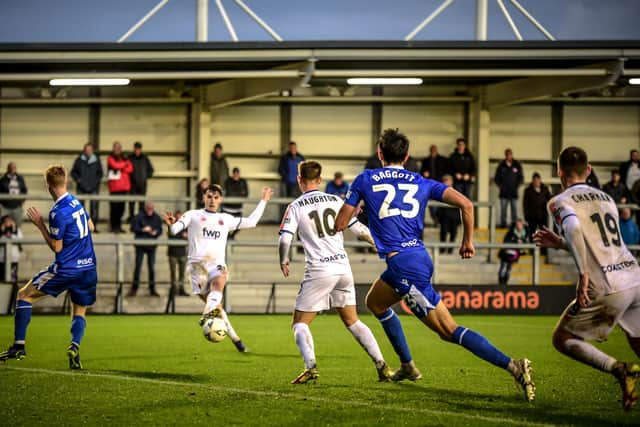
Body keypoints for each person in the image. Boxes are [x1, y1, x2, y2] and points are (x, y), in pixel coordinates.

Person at [335, 128, 535, 402]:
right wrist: (468, 242)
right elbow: (466, 204)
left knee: (448, 330)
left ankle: (513, 365)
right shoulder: (421, 181)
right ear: (407, 156)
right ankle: (407, 366)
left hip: (404, 267)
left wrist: (358, 210)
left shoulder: (365, 179)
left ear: (379, 153)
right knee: (375, 302)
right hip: (418, 258)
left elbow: (339, 224)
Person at [533, 146, 640, 411]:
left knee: (562, 338)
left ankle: (619, 369)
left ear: (559, 172)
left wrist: (583, 274)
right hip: (635, 277)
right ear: (589, 170)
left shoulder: (559, 201)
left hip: (608, 286)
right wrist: (560, 243)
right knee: (638, 340)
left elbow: (573, 227)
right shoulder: (607, 198)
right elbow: (597, 242)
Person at [278, 160, 392, 384]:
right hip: (343, 268)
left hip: (320, 269)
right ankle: (382, 365)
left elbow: (285, 238)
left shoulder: (296, 206)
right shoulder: (336, 200)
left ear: (299, 180)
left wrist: (284, 259)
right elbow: (360, 230)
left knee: (299, 323)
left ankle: (310, 367)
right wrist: (380, 246)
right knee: (353, 321)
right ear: (320, 180)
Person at [0, 165, 97, 370]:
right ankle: (74, 347)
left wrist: (40, 225)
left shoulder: (57, 212)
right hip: (88, 267)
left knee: (24, 295)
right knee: (79, 309)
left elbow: (56, 247)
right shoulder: (76, 201)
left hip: (67, 269)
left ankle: (19, 346)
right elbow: (91, 227)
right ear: (65, 181)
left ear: (48, 186)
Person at [163, 184, 273, 353]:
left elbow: (251, 222)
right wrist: (171, 226)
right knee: (218, 307)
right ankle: (236, 340)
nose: (212, 200)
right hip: (197, 268)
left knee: (220, 280)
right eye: (209, 196)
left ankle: (207, 314)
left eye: (216, 197)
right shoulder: (193, 215)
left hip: (216, 264)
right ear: (203, 198)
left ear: (220, 199)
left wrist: (264, 201)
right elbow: (175, 229)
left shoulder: (226, 219)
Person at [129, 201, 163, 297]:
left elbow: (160, 230)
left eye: (151, 208)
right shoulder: (139, 216)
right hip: (140, 245)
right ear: (145, 208)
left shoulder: (156, 217)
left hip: (151, 245)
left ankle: (152, 289)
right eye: (148, 208)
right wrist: (143, 230)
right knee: (138, 267)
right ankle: (134, 288)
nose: (149, 210)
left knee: (151, 268)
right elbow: (133, 228)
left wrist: (155, 232)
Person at [71, 143, 103, 232]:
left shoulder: (97, 160)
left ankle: (94, 227)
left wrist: (95, 183)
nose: (88, 151)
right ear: (84, 150)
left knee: (94, 208)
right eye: (87, 150)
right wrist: (79, 181)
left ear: (92, 151)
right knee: (80, 209)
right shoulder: (79, 160)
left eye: (90, 150)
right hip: (81, 188)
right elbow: (73, 172)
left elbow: (100, 174)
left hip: (94, 188)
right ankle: (82, 227)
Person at [421, 145, 450, 226]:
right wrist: (424, 174)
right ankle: (436, 221)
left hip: (439, 185)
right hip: (429, 185)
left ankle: (439, 221)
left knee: (439, 205)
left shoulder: (442, 160)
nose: (433, 151)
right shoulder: (426, 160)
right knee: (431, 206)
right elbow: (422, 172)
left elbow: (446, 171)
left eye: (434, 150)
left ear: (436, 150)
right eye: (432, 150)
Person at [107, 141, 133, 233]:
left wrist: (122, 166)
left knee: (122, 209)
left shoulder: (125, 157)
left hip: (124, 187)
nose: (117, 149)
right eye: (116, 147)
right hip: (114, 188)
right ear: (113, 148)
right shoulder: (110, 157)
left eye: (119, 148)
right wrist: (123, 165)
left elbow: (130, 168)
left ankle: (119, 226)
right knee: (114, 209)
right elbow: (115, 165)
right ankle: (113, 227)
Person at [494, 148, 524, 228]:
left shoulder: (517, 165)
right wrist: (501, 186)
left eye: (510, 154)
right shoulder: (501, 165)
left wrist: (516, 186)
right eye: (507, 155)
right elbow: (496, 179)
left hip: (513, 192)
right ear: (505, 155)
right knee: (503, 209)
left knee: (514, 210)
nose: (508, 156)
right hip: (503, 192)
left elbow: (521, 178)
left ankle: (514, 224)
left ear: (512, 155)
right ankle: (503, 224)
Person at [128, 141, 154, 224]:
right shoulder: (130, 158)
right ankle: (132, 220)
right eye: (136, 149)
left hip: (142, 184)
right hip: (132, 184)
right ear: (134, 149)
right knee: (131, 203)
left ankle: (140, 221)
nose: (137, 150)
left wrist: (145, 176)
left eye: (138, 149)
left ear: (140, 149)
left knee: (141, 204)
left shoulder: (145, 158)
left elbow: (151, 170)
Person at [498, 219, 529, 285]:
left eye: (520, 225)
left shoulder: (524, 233)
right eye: (517, 224)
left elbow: (527, 238)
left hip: (514, 255)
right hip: (506, 253)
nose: (519, 226)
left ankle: (505, 281)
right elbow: (506, 241)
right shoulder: (511, 232)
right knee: (503, 267)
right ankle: (501, 281)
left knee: (509, 269)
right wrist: (515, 241)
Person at [436, 175, 461, 254]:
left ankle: (450, 249)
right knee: (443, 233)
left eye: (448, 180)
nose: (446, 182)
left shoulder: (456, 191)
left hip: (454, 216)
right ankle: (443, 249)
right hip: (444, 216)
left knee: (453, 233)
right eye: (445, 181)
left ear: (451, 182)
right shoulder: (439, 191)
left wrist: (459, 219)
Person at [222, 167, 248, 240]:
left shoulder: (243, 181)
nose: (236, 175)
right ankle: (228, 237)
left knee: (240, 224)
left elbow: (246, 194)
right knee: (224, 225)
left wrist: (236, 195)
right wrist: (239, 194)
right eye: (234, 174)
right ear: (232, 174)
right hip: (227, 208)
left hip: (237, 208)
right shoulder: (228, 181)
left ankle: (231, 236)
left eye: (237, 174)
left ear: (239, 174)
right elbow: (228, 193)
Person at [167, 210, 189, 296]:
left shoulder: (185, 226)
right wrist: (182, 236)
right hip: (172, 253)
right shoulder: (171, 225)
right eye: (178, 216)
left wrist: (184, 236)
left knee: (182, 274)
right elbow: (171, 235)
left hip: (182, 253)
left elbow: (188, 236)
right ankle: (173, 289)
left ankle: (181, 289)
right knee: (173, 274)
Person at [0, 162, 28, 228]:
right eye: (11, 167)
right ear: (8, 168)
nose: (13, 169)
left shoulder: (20, 179)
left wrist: (22, 202)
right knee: (3, 226)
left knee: (18, 227)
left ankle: (17, 237)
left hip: (17, 207)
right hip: (5, 207)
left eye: (14, 167)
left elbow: (24, 190)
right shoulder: (3, 179)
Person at [0, 215, 22, 283]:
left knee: (13, 277)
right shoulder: (1, 230)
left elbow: (20, 239)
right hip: (2, 258)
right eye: (6, 221)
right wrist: (2, 231)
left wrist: (13, 230)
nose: (8, 222)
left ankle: (13, 290)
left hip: (13, 258)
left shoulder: (17, 230)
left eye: (10, 221)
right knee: (2, 277)